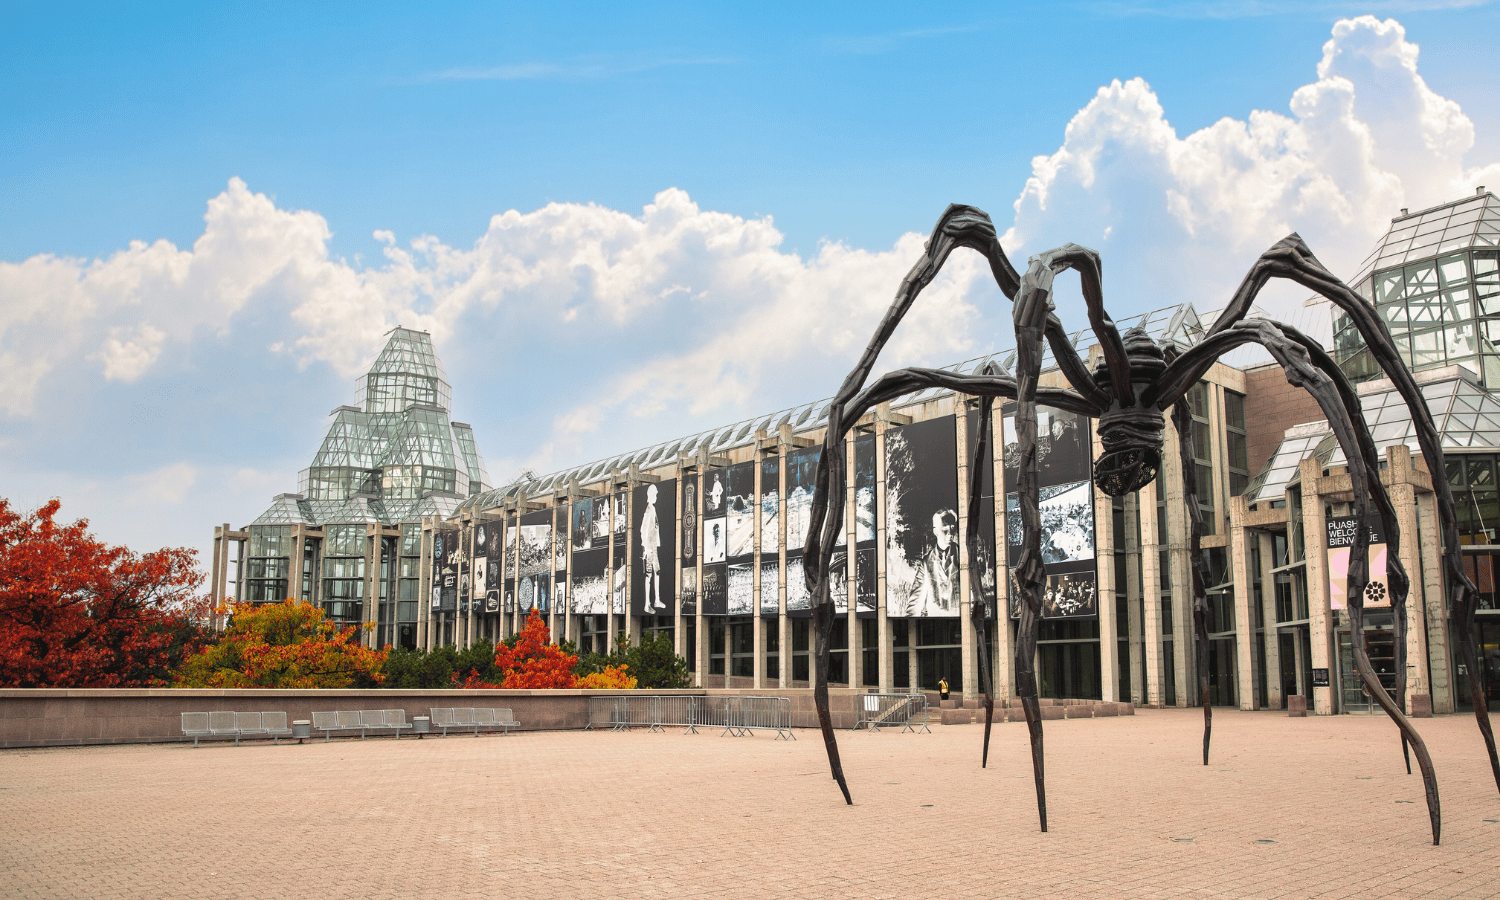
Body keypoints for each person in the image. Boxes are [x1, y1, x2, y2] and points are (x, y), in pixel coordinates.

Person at [914, 510, 959, 615]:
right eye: (945, 528)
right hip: (934, 620)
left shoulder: (964, 556)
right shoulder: (926, 561)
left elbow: (976, 597)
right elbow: (915, 601)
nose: (950, 533)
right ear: (936, 531)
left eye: (952, 527)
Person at [640, 484, 665, 612]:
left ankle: (656, 600)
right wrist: (646, 548)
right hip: (649, 548)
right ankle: (647, 604)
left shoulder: (652, 509)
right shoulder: (649, 510)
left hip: (653, 546)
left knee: (657, 572)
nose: (656, 497)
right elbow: (643, 529)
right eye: (655, 494)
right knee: (649, 575)